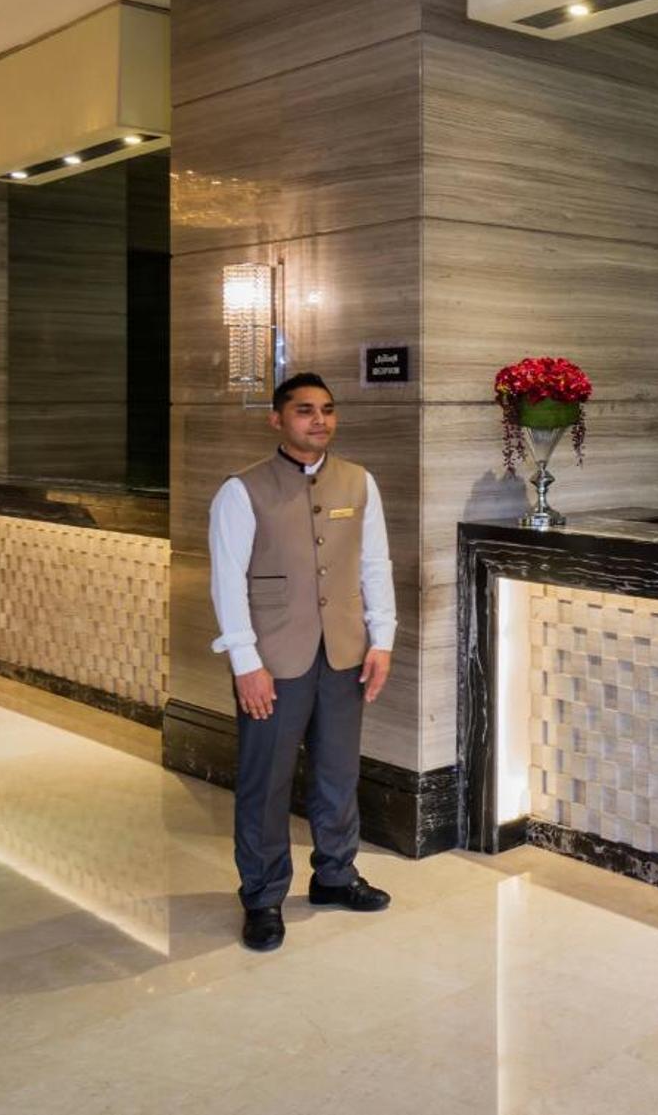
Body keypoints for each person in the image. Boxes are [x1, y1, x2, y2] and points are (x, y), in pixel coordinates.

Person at [209, 372, 399, 951]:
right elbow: (226, 580)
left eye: (327, 410)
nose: (320, 420)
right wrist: (245, 661)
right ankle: (263, 895)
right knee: (265, 781)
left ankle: (335, 875)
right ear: (277, 419)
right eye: (304, 410)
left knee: (338, 771)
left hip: (344, 650)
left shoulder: (360, 482)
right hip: (272, 658)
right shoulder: (241, 490)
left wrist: (382, 639)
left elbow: (375, 564)